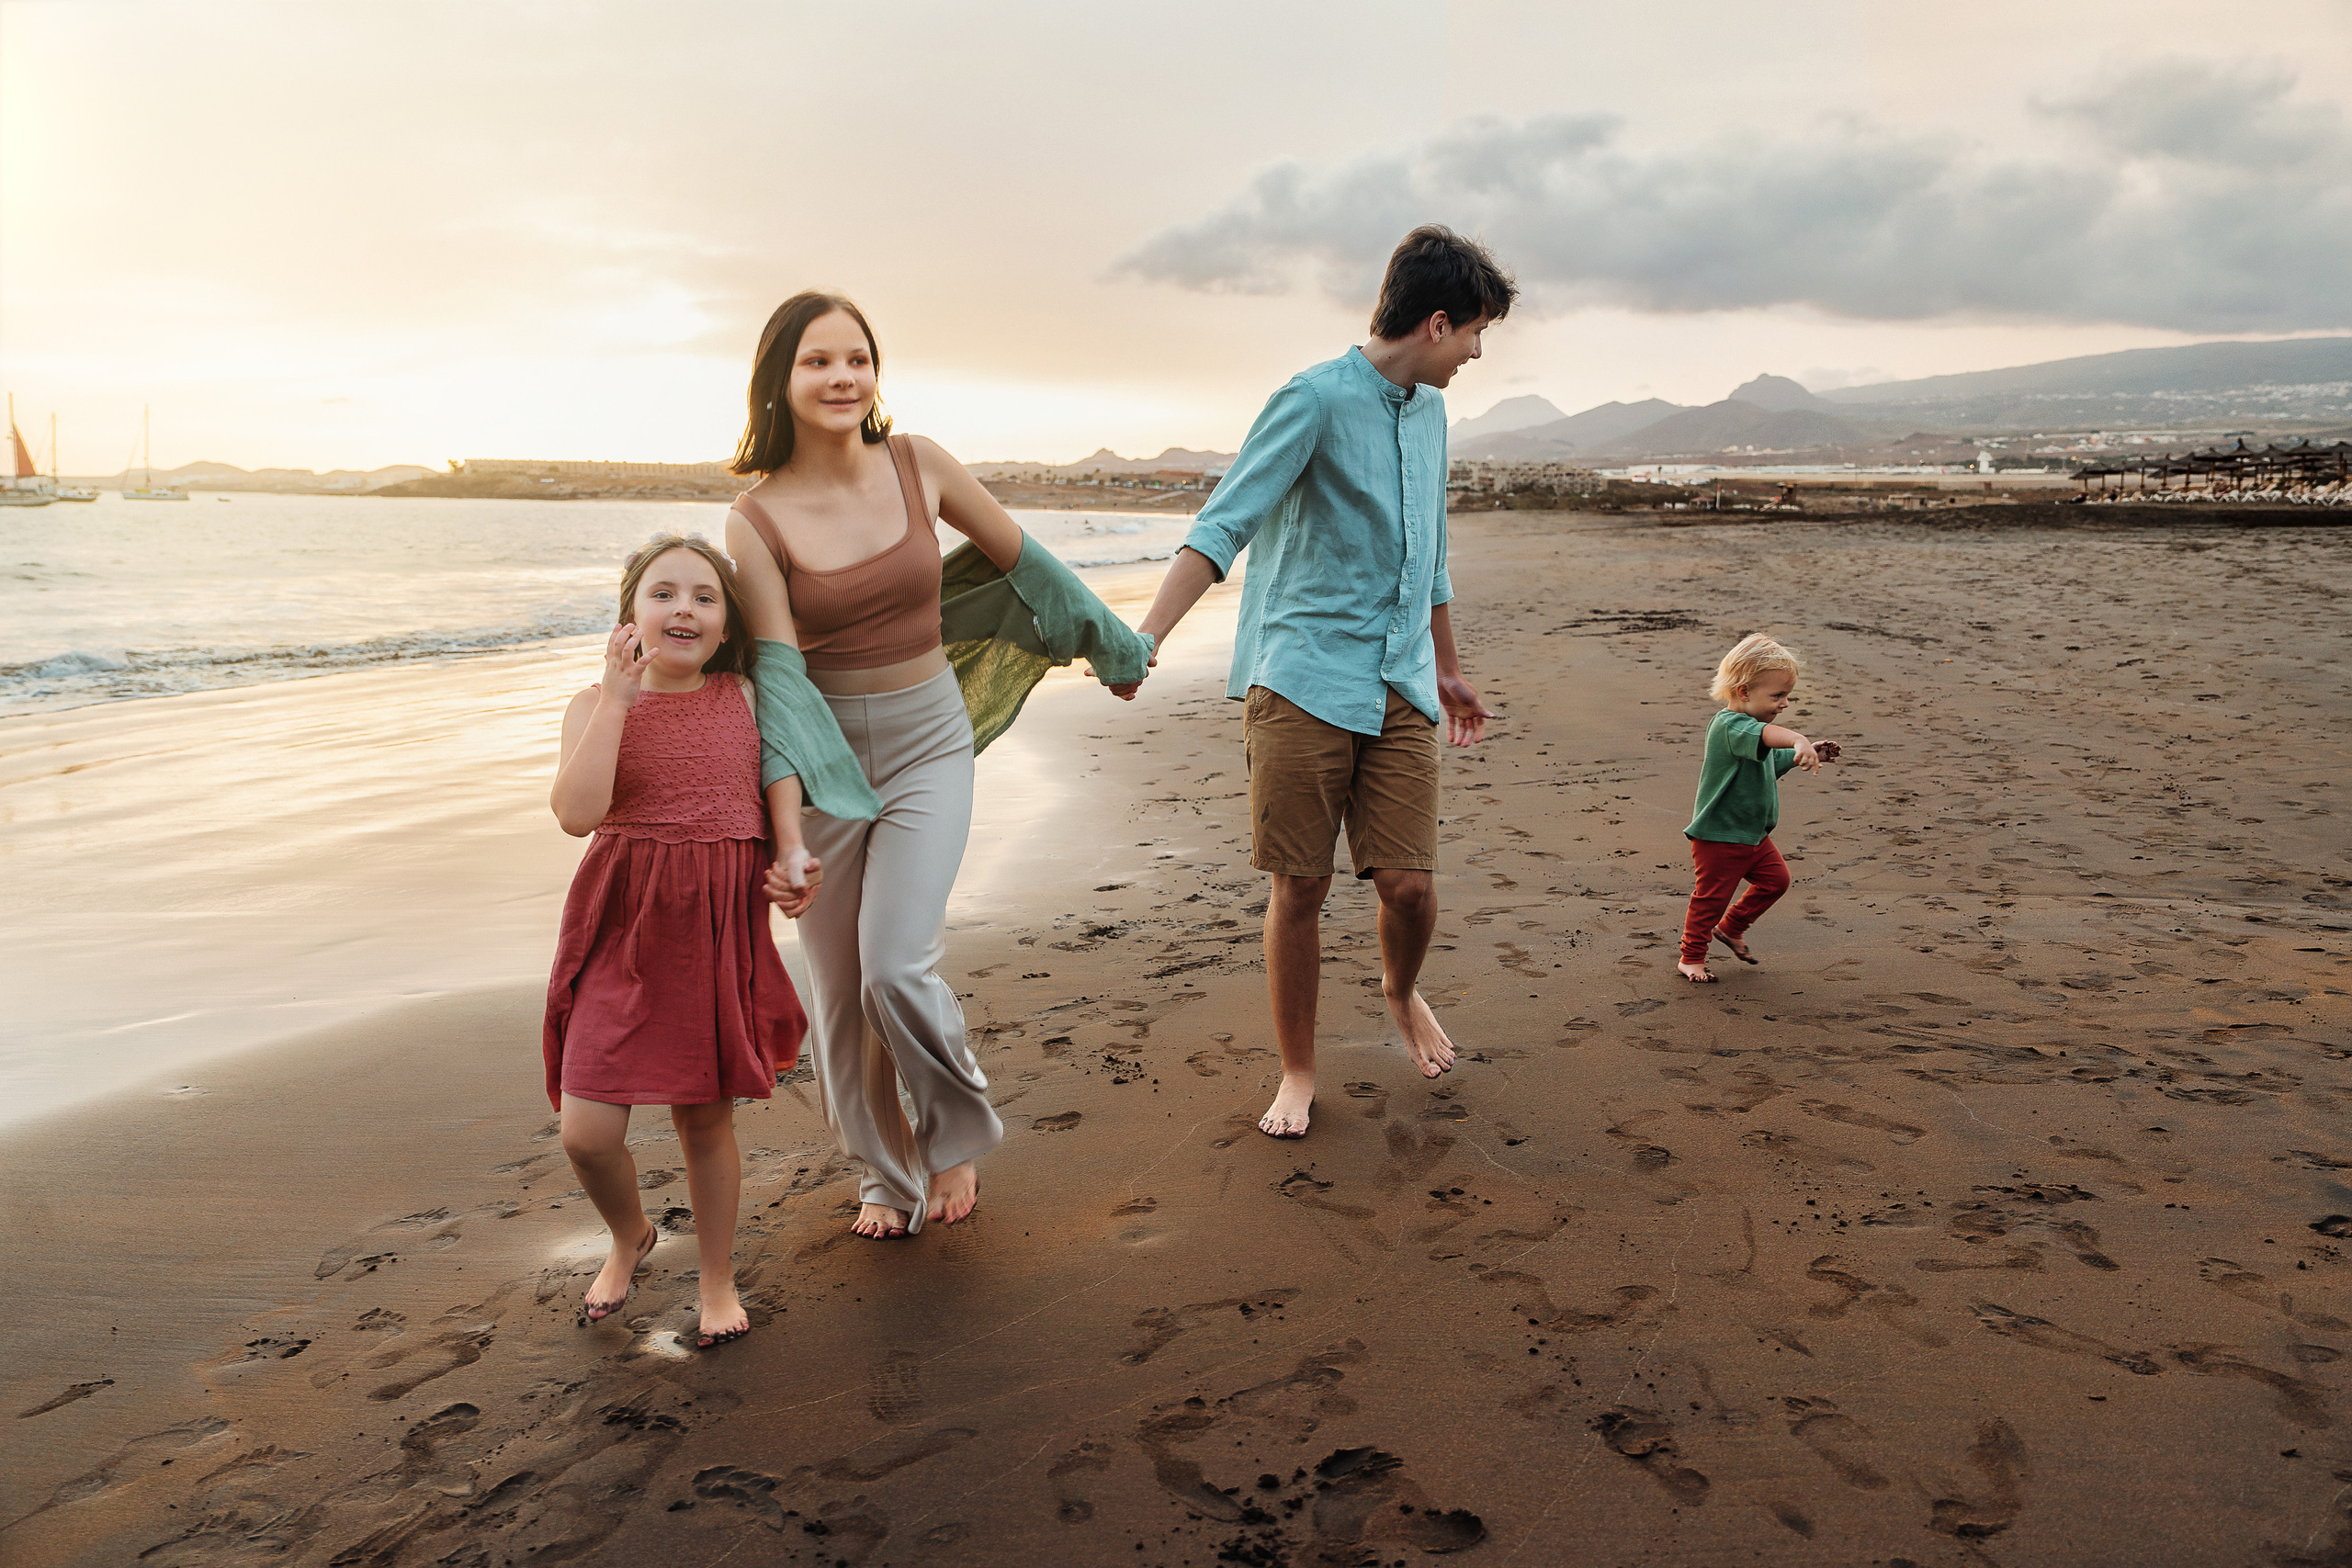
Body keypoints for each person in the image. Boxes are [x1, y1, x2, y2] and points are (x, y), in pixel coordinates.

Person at [724, 292, 1151, 1238]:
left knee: (893, 967)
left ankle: (952, 1132)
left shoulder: (920, 463)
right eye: (817, 361)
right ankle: (885, 1176)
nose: (842, 377)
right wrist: (785, 835)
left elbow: (1029, 565)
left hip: (928, 740)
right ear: (779, 381)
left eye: (857, 358)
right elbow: (779, 680)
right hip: (826, 760)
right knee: (840, 996)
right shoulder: (754, 520)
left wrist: (1111, 645)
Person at [1130, 224, 1510, 1140]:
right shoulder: (1310, 399)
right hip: (1301, 676)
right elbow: (1222, 525)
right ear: (1436, 323)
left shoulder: (1431, 414)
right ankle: (1297, 1072)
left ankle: (1398, 989)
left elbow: (1432, 557)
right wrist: (1146, 637)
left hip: (1400, 681)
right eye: (1473, 334)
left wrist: (1448, 668)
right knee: (1299, 888)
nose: (1475, 353)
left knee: (1409, 887)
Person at [543, 534, 811, 1349]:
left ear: (727, 624)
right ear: (630, 614)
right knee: (587, 1133)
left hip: (711, 932)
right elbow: (576, 814)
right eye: (662, 593)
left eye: (703, 595)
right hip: (620, 932)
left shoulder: (747, 697)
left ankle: (716, 1278)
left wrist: (791, 855)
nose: (682, 608)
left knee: (704, 1122)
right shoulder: (593, 704)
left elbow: (781, 781)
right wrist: (617, 700)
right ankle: (630, 1233)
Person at [1677, 633, 1840, 984]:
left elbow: (1770, 760)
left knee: (1776, 881)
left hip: (1752, 835)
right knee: (1710, 900)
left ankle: (1732, 927)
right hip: (1720, 835)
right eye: (1777, 696)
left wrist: (1803, 753)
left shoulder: (1752, 733)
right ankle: (1691, 958)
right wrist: (1796, 739)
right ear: (1744, 692)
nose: (1784, 703)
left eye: (1787, 696)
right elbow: (1767, 736)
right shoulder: (1729, 725)